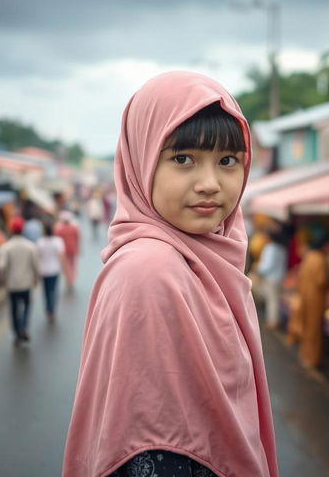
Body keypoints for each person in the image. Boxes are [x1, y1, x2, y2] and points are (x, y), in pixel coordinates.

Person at [63, 72, 278, 477]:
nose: (211, 184)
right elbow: (149, 448)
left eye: (228, 161)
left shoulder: (212, 261)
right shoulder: (149, 270)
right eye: (183, 159)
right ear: (141, 162)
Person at [0, 216, 40, 345]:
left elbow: (1, 266)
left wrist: (4, 279)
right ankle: (24, 327)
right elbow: (35, 265)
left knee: (14, 309)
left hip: (12, 284)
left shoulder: (6, 247)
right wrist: (35, 279)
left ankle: (17, 332)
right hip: (26, 283)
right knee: (27, 307)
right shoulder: (30, 246)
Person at [296, 231, 329, 369]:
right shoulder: (320, 259)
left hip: (304, 295)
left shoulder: (309, 256)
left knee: (306, 326)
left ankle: (304, 356)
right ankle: (312, 359)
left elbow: (301, 276)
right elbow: (321, 280)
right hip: (315, 299)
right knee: (314, 330)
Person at [250, 227, 288, 329]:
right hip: (279, 277)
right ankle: (275, 320)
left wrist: (258, 269)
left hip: (271, 278)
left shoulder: (270, 247)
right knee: (275, 299)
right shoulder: (282, 248)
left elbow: (267, 265)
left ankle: (272, 322)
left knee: (272, 300)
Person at [37, 222, 67, 323]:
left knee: (46, 291)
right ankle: (52, 309)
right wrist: (64, 268)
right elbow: (61, 256)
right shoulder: (58, 241)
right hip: (54, 270)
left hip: (44, 270)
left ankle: (48, 308)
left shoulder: (40, 242)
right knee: (53, 291)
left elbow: (38, 256)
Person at [53, 210, 80, 290]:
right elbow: (77, 239)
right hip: (72, 249)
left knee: (66, 265)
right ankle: (71, 279)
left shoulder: (58, 229)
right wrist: (78, 248)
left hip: (64, 250)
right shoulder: (74, 228)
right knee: (72, 265)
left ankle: (68, 279)